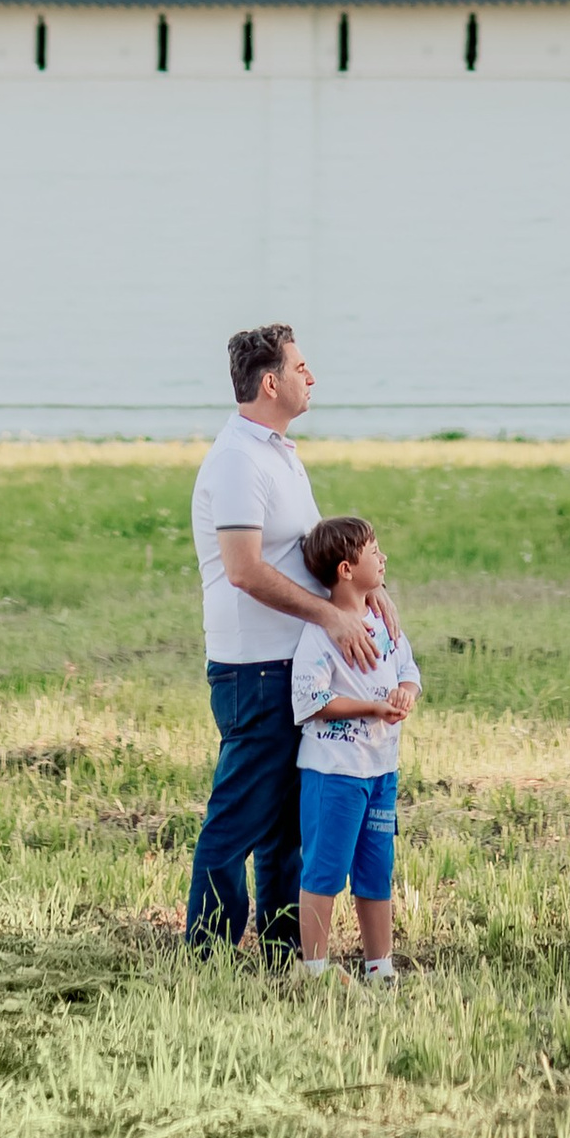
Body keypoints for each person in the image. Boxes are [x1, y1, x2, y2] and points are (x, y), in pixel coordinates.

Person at [186, 323, 377, 958]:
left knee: (286, 828)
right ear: (271, 383)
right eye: (301, 367)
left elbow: (311, 548)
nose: (311, 376)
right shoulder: (239, 460)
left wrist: (367, 589)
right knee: (238, 821)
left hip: (287, 665)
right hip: (255, 670)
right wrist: (329, 617)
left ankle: (282, 950)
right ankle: (206, 954)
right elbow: (243, 569)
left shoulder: (278, 453)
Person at [289, 514, 421, 984]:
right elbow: (310, 699)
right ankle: (315, 969)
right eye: (374, 551)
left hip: (381, 770)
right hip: (335, 771)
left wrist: (405, 692)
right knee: (325, 867)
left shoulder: (383, 619)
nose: (383, 558)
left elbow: (408, 668)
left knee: (376, 868)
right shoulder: (321, 631)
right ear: (346, 569)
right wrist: (371, 707)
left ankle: (379, 965)